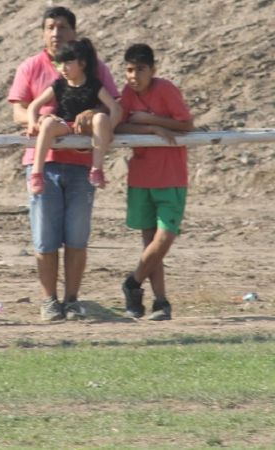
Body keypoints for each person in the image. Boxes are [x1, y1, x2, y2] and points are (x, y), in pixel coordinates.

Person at [7, 6, 119, 321]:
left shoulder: (94, 68)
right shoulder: (31, 67)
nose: (56, 33)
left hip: (82, 164)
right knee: (45, 239)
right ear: (43, 32)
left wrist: (94, 114)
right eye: (50, 27)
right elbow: (19, 110)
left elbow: (113, 106)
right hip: (43, 163)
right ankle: (49, 300)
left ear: (74, 31)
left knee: (77, 237)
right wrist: (39, 121)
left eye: (62, 27)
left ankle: (71, 300)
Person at [115, 44, 194, 320]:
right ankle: (160, 302)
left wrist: (152, 118)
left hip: (171, 176)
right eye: (129, 70)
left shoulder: (165, 89)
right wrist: (151, 128)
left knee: (164, 238)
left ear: (152, 70)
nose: (133, 76)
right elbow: (118, 125)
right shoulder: (127, 94)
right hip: (141, 177)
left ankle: (132, 282)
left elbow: (186, 124)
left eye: (139, 69)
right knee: (149, 242)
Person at [26, 38, 122, 194]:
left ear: (82, 64)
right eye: (60, 64)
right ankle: (37, 173)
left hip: (85, 127)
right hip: (65, 125)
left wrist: (109, 129)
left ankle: (97, 170)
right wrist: (32, 123)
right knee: (48, 123)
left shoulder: (93, 85)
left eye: (68, 63)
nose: (63, 68)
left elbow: (115, 108)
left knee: (100, 118)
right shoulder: (59, 85)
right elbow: (33, 106)